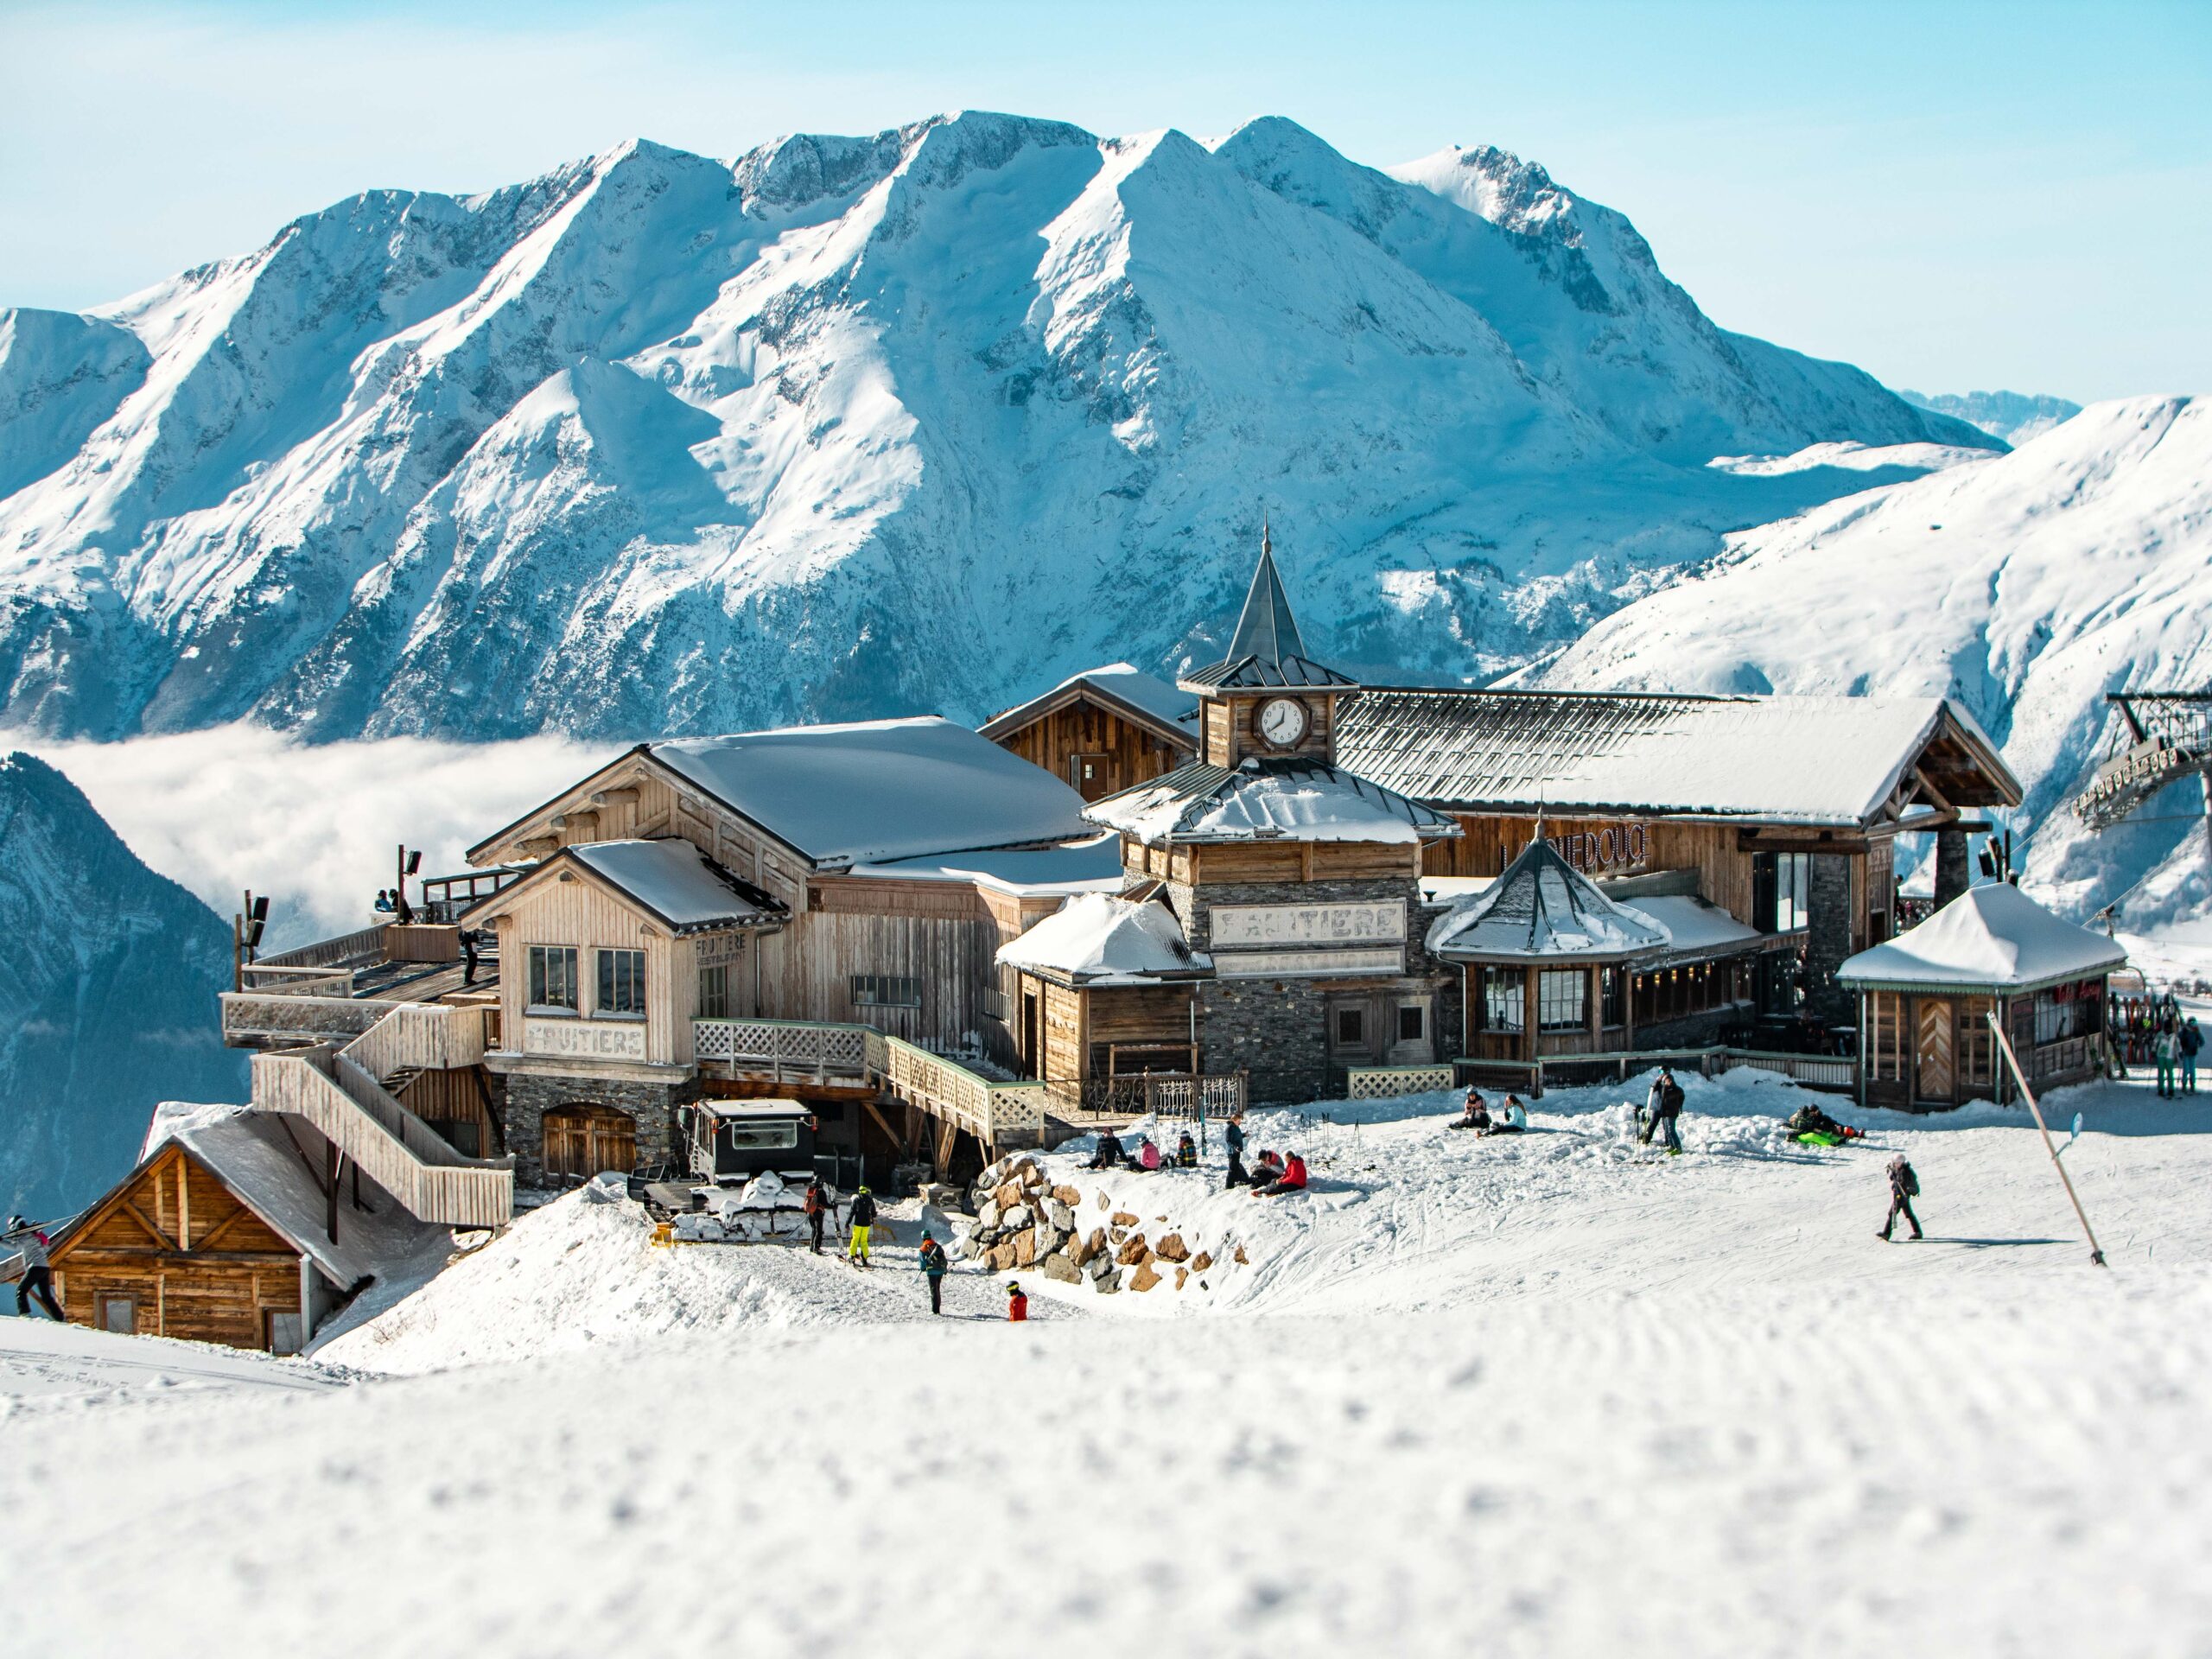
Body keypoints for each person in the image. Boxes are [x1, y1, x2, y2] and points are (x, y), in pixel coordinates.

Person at [7, 1217, 60, 1320]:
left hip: (35, 1267)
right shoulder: (34, 1236)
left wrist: (2, 1241)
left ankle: (24, 1314)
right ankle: (59, 1317)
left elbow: (14, 1247)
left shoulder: (26, 1236)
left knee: (21, 1290)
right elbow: (45, 1247)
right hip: (44, 1267)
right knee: (46, 1296)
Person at [1878, 1154, 1923, 1242]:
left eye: (1896, 1163)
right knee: (1909, 1214)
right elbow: (1893, 1178)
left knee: (1892, 1213)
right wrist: (1891, 1171)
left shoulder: (1906, 1171)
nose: (1895, 1165)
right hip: (1900, 1195)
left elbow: (1905, 1182)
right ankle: (1918, 1232)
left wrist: (1908, 1189)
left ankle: (1887, 1233)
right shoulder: (1899, 1169)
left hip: (1901, 1196)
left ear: (1900, 1163)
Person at [1641, 1068, 1684, 1153]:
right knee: (1654, 1125)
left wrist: (1679, 1107)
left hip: (1668, 1111)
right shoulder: (1660, 1084)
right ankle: (1647, 1139)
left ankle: (1673, 1145)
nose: (1661, 1074)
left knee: (1669, 1129)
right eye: (1659, 1072)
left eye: (1662, 1072)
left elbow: (1678, 1097)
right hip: (1658, 1108)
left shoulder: (1673, 1088)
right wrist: (1658, 1082)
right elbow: (1652, 1089)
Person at [917, 1231, 948, 1315]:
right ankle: (937, 1307)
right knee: (937, 1289)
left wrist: (923, 1268)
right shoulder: (937, 1245)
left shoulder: (923, 1248)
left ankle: (935, 1310)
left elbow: (923, 1262)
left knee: (934, 1291)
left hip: (932, 1271)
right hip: (941, 1270)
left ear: (923, 1238)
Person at [846, 1185, 877, 1266]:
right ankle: (864, 1258)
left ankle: (852, 1257)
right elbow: (874, 1213)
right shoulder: (870, 1200)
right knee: (864, 1241)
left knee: (855, 1240)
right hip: (866, 1224)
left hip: (858, 1224)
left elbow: (852, 1213)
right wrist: (872, 1217)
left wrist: (847, 1223)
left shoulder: (856, 1200)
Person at [803, 1177, 831, 1255]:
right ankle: (817, 1247)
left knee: (814, 1229)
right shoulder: (821, 1191)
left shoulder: (811, 1190)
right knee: (819, 1230)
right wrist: (833, 1206)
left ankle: (812, 1247)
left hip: (810, 1212)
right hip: (818, 1213)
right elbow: (825, 1204)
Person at [1224, 1112, 1249, 1189]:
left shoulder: (1235, 1127)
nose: (1240, 1122)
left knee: (1236, 1167)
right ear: (1234, 1120)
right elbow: (1228, 1140)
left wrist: (1244, 1135)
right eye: (1239, 1120)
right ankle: (1229, 1185)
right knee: (1232, 1168)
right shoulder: (1229, 1128)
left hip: (1237, 1151)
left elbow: (1237, 1136)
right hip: (1232, 1152)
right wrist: (1234, 1147)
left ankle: (1240, 1179)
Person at [2155, 1024, 2179, 1099]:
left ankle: (2171, 1089)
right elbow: (2155, 1042)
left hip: (2170, 1056)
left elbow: (2178, 1044)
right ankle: (2161, 1089)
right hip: (2160, 1055)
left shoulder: (2174, 1035)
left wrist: (2180, 1052)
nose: (2168, 1030)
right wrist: (2153, 1051)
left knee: (2170, 1073)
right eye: (2167, 1028)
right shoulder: (2160, 1034)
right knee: (2161, 1072)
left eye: (2169, 1028)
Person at [2183, 1016, 2203, 1096]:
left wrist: (2198, 1044)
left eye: (2195, 1023)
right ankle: (2184, 1085)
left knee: (2192, 1070)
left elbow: (2202, 1041)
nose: (2193, 1025)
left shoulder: (2196, 1032)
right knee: (2186, 1070)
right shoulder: (2185, 1031)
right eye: (2192, 1023)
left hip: (2193, 1053)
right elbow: (2179, 1039)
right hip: (2186, 1053)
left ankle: (2192, 1085)